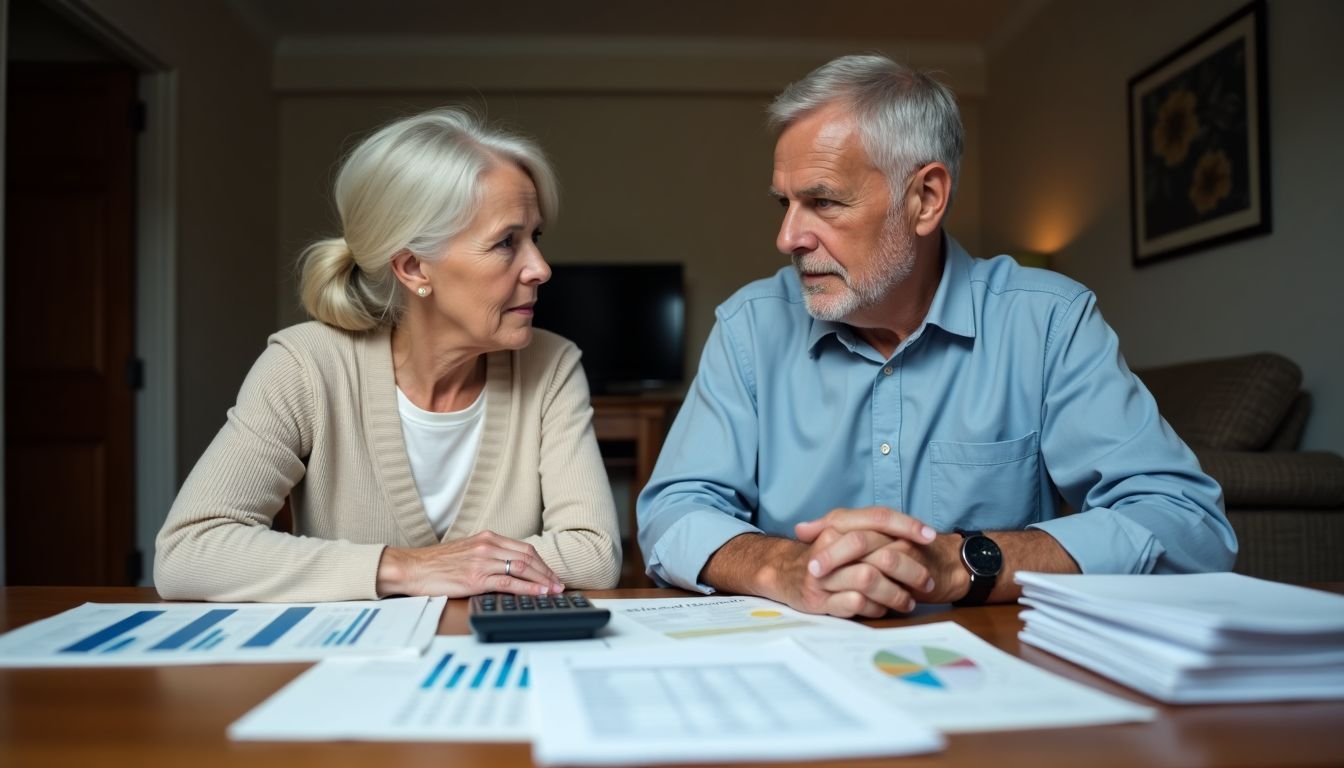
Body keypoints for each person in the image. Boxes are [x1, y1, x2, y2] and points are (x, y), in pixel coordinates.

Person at [637, 54, 1236, 618]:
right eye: (785, 204)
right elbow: (671, 513)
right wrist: (785, 567)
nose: (789, 236)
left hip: (995, 678)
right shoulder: (750, 327)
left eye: (822, 202)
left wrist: (962, 563)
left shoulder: (1048, 322)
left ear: (925, 198)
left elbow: (1189, 527)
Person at [156, 107, 621, 602]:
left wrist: (461, 568)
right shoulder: (306, 366)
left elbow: (594, 554)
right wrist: (408, 568)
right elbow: (189, 550)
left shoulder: (552, 367)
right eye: (507, 242)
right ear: (414, 268)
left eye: (536, 237)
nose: (541, 269)